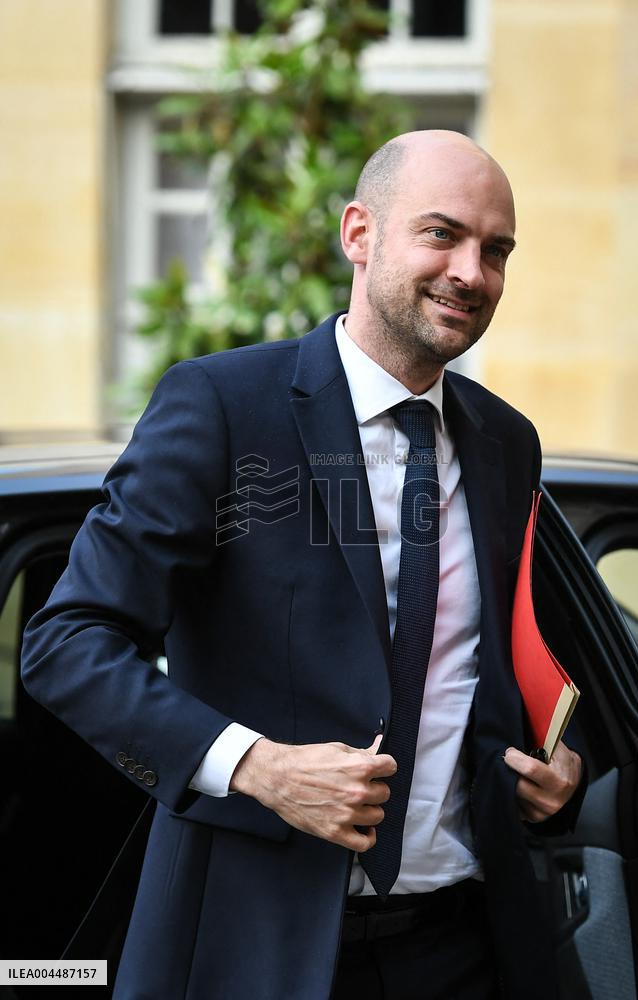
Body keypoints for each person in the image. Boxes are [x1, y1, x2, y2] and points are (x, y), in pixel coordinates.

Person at [21, 130, 584, 1000]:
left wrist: (557, 768)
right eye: (441, 234)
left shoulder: (507, 442)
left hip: (468, 945)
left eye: (496, 250)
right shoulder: (223, 404)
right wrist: (257, 768)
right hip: (254, 947)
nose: (472, 272)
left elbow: (497, 666)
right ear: (359, 233)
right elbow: (67, 642)